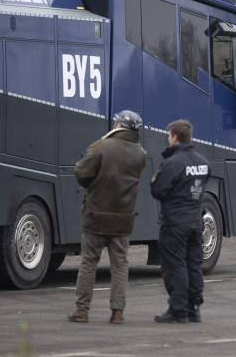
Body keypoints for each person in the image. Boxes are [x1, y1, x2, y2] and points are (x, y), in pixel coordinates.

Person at [68, 110, 147, 324]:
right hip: (123, 219)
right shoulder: (140, 154)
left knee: (88, 263)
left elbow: (81, 173)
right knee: (120, 265)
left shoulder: (100, 147)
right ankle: (117, 312)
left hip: (95, 217)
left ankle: (82, 311)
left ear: (119, 124)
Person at [151, 119, 210, 323]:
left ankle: (178, 309)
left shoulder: (173, 162)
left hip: (175, 222)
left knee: (174, 265)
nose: (168, 139)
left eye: (169, 136)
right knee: (193, 265)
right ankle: (194, 308)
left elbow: (158, 190)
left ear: (175, 137)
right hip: (195, 220)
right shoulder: (202, 161)